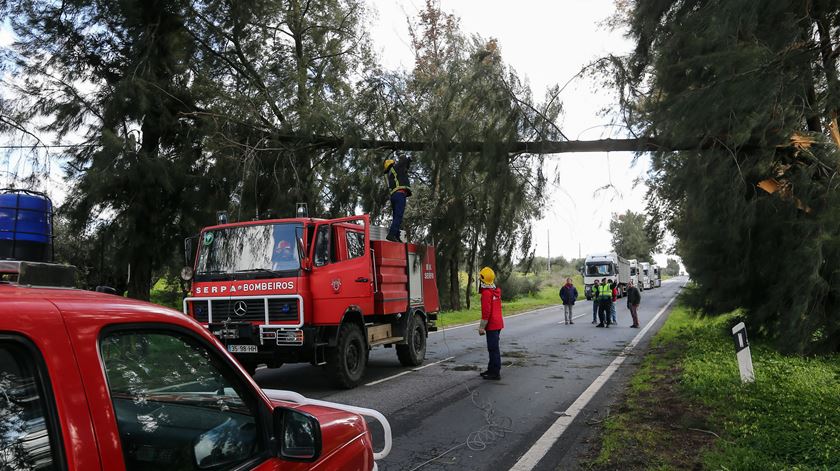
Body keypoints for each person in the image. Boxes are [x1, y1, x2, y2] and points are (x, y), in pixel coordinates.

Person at [478, 266, 504, 380]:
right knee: (493, 348)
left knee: (493, 348)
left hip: (492, 324)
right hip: (498, 323)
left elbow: (486, 312)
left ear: (483, 280)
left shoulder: (486, 293)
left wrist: (481, 327)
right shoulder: (495, 291)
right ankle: (491, 369)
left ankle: (495, 372)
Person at [383, 154, 412, 242]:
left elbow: (404, 167)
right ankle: (391, 234)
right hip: (400, 194)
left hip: (394, 196)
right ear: (392, 164)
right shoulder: (395, 168)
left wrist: (407, 162)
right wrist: (404, 156)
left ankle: (396, 235)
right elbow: (403, 161)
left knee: (396, 216)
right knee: (398, 216)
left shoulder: (388, 174)